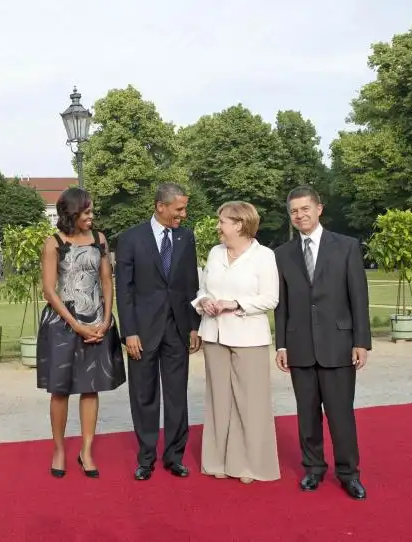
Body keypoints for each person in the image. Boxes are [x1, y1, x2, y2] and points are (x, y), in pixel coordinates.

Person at [274, 185, 371, 500]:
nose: (300, 215)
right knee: (307, 415)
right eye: (294, 211)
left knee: (341, 414)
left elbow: (359, 298)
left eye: (305, 208)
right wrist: (282, 345)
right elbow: (282, 305)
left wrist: (361, 341)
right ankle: (313, 469)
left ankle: (348, 474)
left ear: (319, 209)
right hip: (299, 345)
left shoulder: (347, 247)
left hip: (339, 345)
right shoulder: (283, 254)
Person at [36, 186, 126, 479]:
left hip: (97, 318)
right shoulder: (53, 243)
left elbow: (107, 280)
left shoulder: (99, 239)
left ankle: (86, 451)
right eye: (87, 211)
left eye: (92, 211)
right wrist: (75, 325)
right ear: (72, 213)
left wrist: (106, 319)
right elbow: (49, 290)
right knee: (60, 389)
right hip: (63, 324)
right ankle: (59, 449)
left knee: (91, 386)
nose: (92, 216)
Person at [115, 182, 202, 481]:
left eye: (184, 208)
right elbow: (123, 290)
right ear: (160, 206)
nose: (183, 214)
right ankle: (146, 458)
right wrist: (130, 332)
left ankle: (174, 456)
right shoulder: (130, 239)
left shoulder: (186, 237)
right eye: (179, 209)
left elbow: (191, 283)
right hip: (142, 332)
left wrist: (193, 325)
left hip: (178, 329)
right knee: (144, 396)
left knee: (177, 395)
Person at [191, 201, 280, 484]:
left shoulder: (264, 256)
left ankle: (248, 465)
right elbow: (203, 288)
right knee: (218, 400)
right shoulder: (215, 253)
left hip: (249, 337)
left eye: (222, 221)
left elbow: (270, 298)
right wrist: (203, 300)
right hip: (214, 335)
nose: (218, 226)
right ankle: (216, 460)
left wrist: (235, 303)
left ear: (240, 224)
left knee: (250, 402)